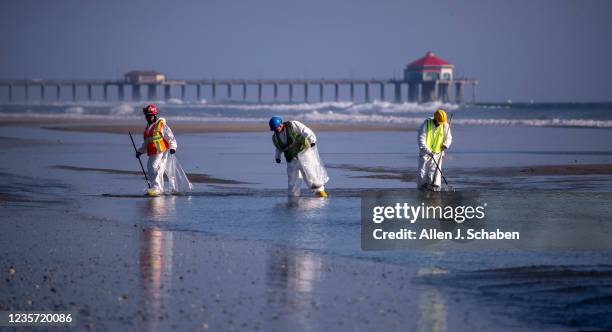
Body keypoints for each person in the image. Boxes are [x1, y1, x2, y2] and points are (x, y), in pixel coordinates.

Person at [269, 117, 328, 197]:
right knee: (292, 179)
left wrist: (312, 140)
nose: (276, 130)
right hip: (291, 158)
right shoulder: (275, 137)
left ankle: (321, 193)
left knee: (309, 174)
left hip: (304, 153)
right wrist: (277, 157)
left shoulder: (293, 125)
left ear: (281, 124)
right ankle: (293, 197)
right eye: (275, 129)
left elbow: (305, 130)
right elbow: (278, 148)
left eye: (277, 128)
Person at [136, 104, 178, 196]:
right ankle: (157, 188)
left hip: (161, 150)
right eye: (146, 116)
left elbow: (170, 136)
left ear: (155, 115)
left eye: (150, 115)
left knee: (153, 167)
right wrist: (140, 151)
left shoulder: (161, 124)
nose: (148, 117)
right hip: (153, 151)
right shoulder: (148, 127)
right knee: (156, 168)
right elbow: (147, 142)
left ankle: (156, 188)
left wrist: (173, 147)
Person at [417, 109, 452, 191]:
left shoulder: (445, 124)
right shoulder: (426, 124)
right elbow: (420, 140)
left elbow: (449, 138)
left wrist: (445, 145)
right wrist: (428, 151)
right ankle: (422, 190)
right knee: (423, 172)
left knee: (435, 173)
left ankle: (435, 190)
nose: (441, 125)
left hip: (438, 153)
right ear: (435, 119)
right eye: (439, 123)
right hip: (425, 153)